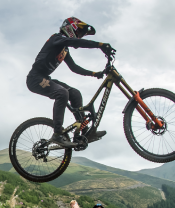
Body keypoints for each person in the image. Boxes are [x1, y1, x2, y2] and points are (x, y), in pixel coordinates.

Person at [26, 17, 115, 148]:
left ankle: (83, 131)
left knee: (75, 93)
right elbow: (73, 41)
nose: (79, 37)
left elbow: (74, 68)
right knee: (62, 93)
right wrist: (100, 45)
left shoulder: (65, 49)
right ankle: (57, 134)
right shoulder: (56, 38)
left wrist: (94, 73)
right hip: (35, 78)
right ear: (70, 28)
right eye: (78, 33)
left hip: (45, 77)